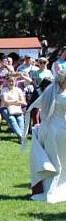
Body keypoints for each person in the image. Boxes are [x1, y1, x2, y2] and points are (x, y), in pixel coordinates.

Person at [24, 70, 66, 202]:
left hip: (45, 130)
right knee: (59, 162)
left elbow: (31, 108)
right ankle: (53, 189)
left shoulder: (48, 92)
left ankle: (46, 188)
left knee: (49, 160)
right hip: (59, 131)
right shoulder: (63, 96)